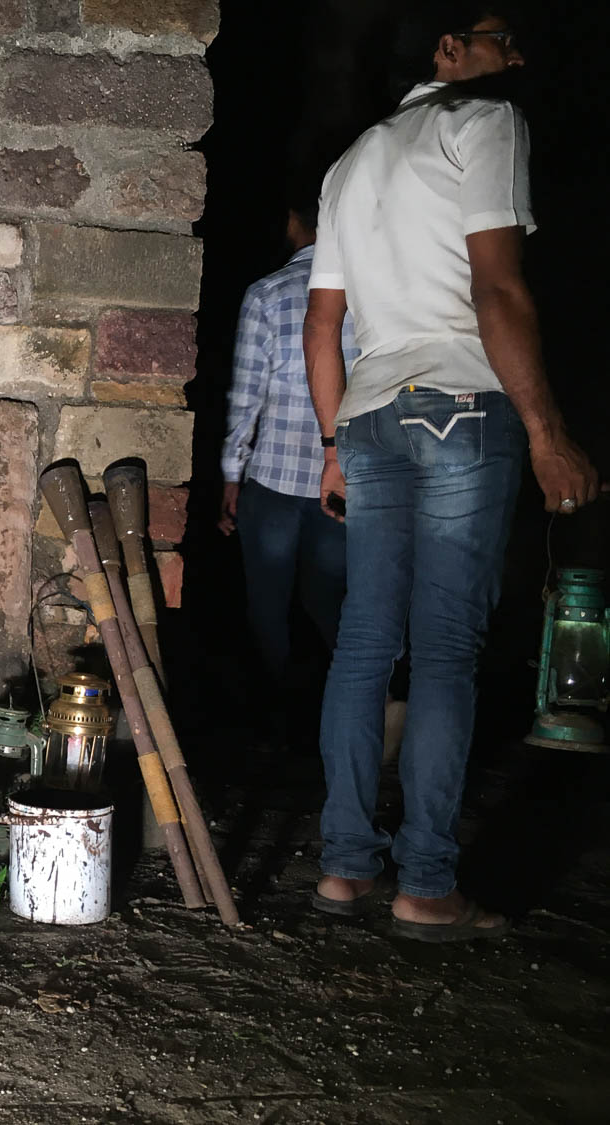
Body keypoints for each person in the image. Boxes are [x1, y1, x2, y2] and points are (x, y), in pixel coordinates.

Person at [304, 4, 601, 940]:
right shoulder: (488, 121)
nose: (517, 56)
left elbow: (323, 323)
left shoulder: (351, 162)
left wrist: (332, 446)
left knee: (363, 645)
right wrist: (548, 432)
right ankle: (425, 882)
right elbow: (497, 286)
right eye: (501, 39)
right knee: (443, 651)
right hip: (463, 402)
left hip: (370, 414)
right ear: (450, 50)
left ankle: (345, 866)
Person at [219, 202, 358, 745]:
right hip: (343, 478)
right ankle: (353, 709)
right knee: (334, 600)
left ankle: (274, 719)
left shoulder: (267, 293)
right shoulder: (366, 294)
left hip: (274, 478)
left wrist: (231, 474)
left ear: (293, 221)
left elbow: (246, 395)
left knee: (267, 603)